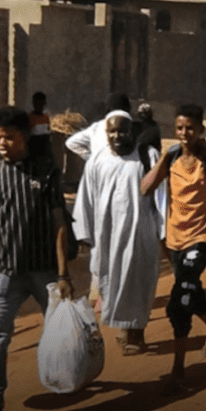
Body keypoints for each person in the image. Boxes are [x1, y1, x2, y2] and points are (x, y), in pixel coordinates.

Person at [0, 106, 72, 411]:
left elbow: (59, 225)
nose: (2, 143)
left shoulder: (47, 172)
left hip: (44, 271)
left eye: (8, 137)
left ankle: (70, 380)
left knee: (60, 334)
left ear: (23, 137)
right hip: (5, 271)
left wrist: (64, 274)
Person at [140, 103, 206, 394]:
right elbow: (145, 189)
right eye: (179, 128)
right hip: (174, 240)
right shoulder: (172, 157)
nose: (184, 133)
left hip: (201, 238)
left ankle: (178, 370)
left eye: (190, 128)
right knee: (190, 288)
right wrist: (162, 161)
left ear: (200, 129)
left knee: (179, 299)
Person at [73, 111, 162, 355]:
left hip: (140, 234)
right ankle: (127, 329)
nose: (117, 136)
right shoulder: (97, 161)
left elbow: (163, 197)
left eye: (122, 131)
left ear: (132, 132)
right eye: (111, 131)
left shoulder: (148, 156)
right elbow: (86, 200)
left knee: (137, 282)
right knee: (110, 282)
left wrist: (163, 233)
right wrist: (84, 233)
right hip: (107, 236)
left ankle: (136, 334)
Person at [65, 92, 131, 162]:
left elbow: (71, 142)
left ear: (108, 110)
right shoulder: (131, 127)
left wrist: (92, 158)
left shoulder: (96, 127)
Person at [28, 91, 53, 164]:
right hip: (34, 150)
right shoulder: (30, 118)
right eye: (36, 104)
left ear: (44, 104)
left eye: (40, 104)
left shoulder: (46, 118)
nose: (38, 106)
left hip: (45, 149)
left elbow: (48, 131)